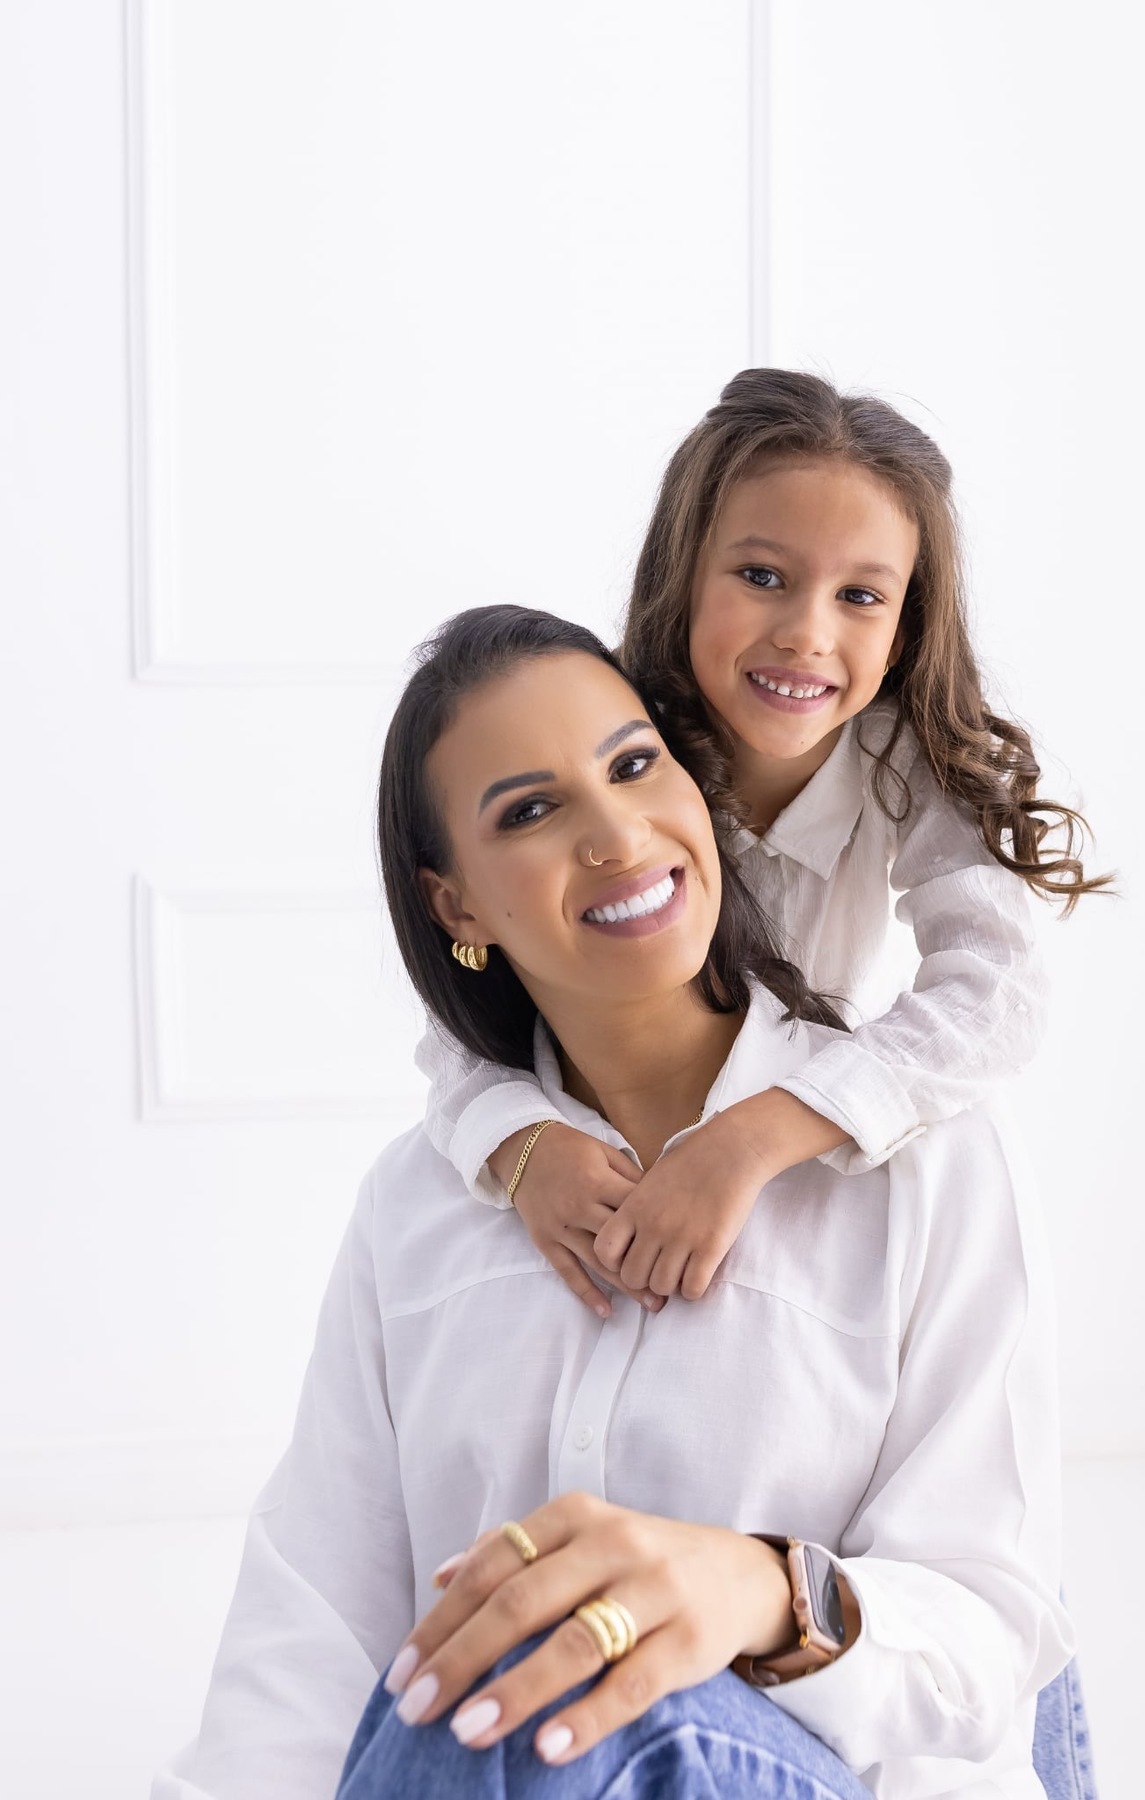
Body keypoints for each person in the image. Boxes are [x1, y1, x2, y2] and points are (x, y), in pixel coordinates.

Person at [152, 606, 1073, 1800]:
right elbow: (310, 1632)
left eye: (636, 765)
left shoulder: (925, 1165)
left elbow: (994, 1638)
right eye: (529, 811)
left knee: (542, 1667)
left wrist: (751, 1588)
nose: (617, 832)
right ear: (457, 910)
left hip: (827, 1773)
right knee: (470, 1681)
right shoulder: (422, 1203)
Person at [419, 371, 1108, 1318]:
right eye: (761, 577)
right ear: (685, 571)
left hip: (796, 1146)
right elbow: (468, 988)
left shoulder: (907, 756)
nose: (806, 635)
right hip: (606, 1138)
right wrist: (523, 1143)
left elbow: (997, 991)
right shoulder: (616, 741)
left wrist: (754, 1137)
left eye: (861, 595)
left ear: (907, 627)